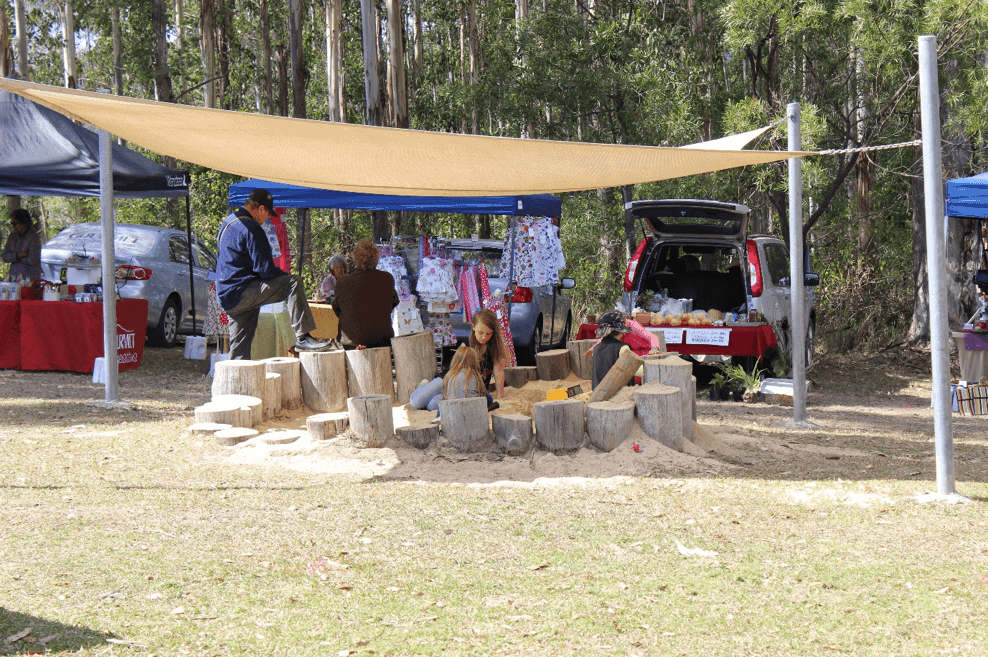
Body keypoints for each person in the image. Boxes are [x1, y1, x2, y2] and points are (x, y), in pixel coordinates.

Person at [216, 188, 332, 360]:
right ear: (261, 208)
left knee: (239, 353)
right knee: (292, 283)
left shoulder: (228, 223)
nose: (267, 219)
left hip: (227, 296)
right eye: (268, 214)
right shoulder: (252, 228)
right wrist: (283, 276)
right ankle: (303, 337)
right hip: (243, 291)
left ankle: (235, 385)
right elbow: (265, 270)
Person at [332, 239, 399, 349]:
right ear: (376, 258)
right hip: (381, 340)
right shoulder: (387, 278)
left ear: (356, 259)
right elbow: (394, 302)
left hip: (351, 342)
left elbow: (336, 308)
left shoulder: (343, 281)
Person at [469, 308, 508, 400]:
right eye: (481, 332)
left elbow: (499, 372)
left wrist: (500, 396)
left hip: (480, 394)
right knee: (438, 383)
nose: (484, 337)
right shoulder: (466, 346)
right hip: (462, 390)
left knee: (433, 403)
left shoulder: (493, 347)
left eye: (488, 334)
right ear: (473, 326)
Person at [591, 310, 632, 390]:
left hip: (598, 393)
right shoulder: (622, 348)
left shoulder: (596, 348)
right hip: (619, 394)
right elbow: (636, 369)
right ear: (620, 330)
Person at [3, 209, 43, 281]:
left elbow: (33, 260)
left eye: (14, 224)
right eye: (12, 224)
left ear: (23, 222)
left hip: (30, 281)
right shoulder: (12, 237)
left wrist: (13, 259)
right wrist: (19, 255)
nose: (13, 226)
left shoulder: (34, 237)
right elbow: (4, 257)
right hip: (14, 279)